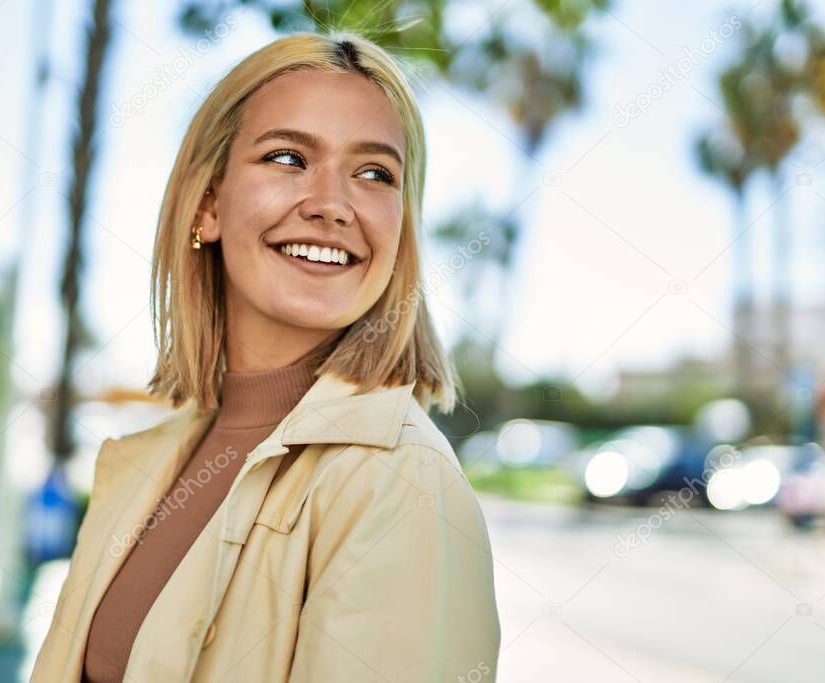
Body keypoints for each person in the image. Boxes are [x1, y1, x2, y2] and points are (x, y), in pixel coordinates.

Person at [29, 30, 501, 683]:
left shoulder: (401, 483)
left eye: (374, 173)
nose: (332, 206)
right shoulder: (144, 462)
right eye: (287, 158)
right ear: (209, 203)